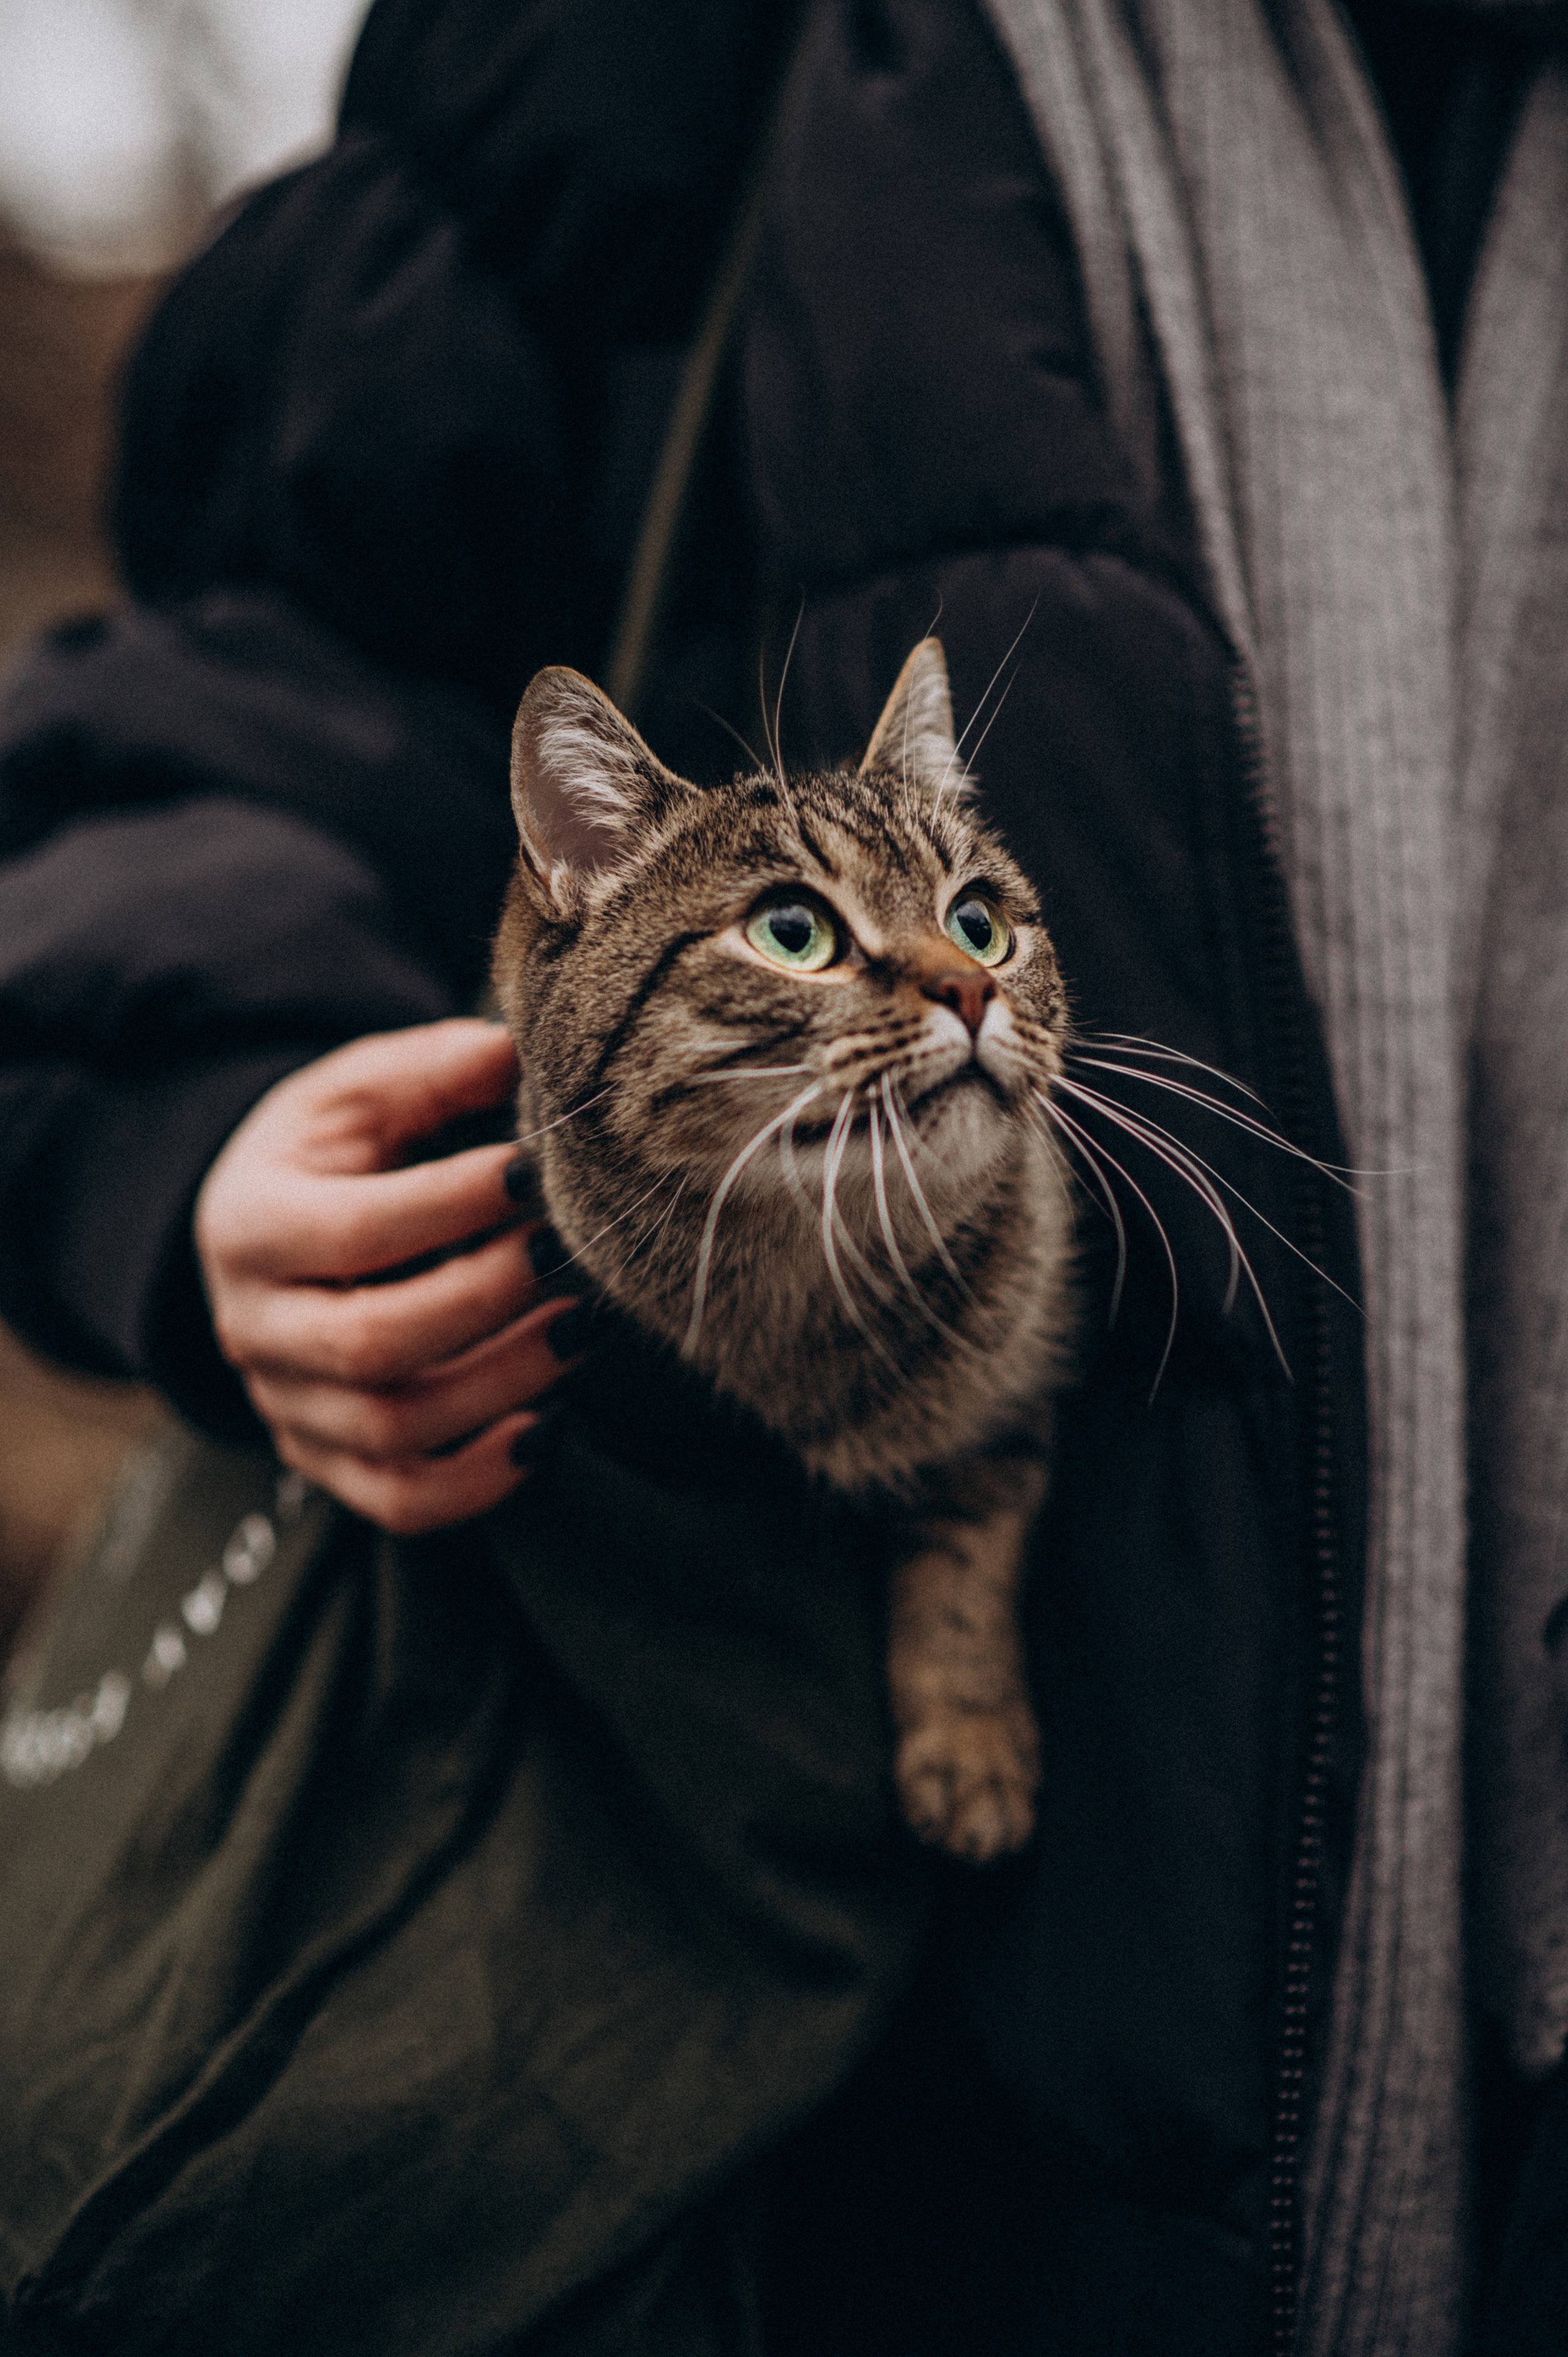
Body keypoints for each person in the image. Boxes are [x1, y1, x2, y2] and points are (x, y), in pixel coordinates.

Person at [1, 1, 1566, 2350]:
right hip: (828, 2065)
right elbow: (229, 693)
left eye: (973, 927)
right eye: (857, 929)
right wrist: (197, 1109)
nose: (949, 980)